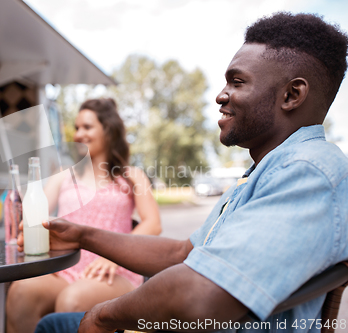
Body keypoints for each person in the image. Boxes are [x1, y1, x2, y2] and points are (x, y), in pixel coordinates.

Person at [21, 12, 348, 333]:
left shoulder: (308, 172)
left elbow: (199, 297)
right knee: (50, 320)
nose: (221, 95)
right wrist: (83, 235)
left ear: (292, 95)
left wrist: (103, 316)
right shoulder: (265, 170)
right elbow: (183, 254)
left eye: (237, 82)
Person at [5, 98, 162, 333]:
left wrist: (116, 256)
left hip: (113, 272)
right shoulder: (63, 175)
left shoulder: (131, 176)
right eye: (77, 128)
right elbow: (35, 215)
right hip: (65, 269)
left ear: (108, 131)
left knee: (71, 300)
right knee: (20, 292)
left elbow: (153, 224)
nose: (78, 134)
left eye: (87, 127)